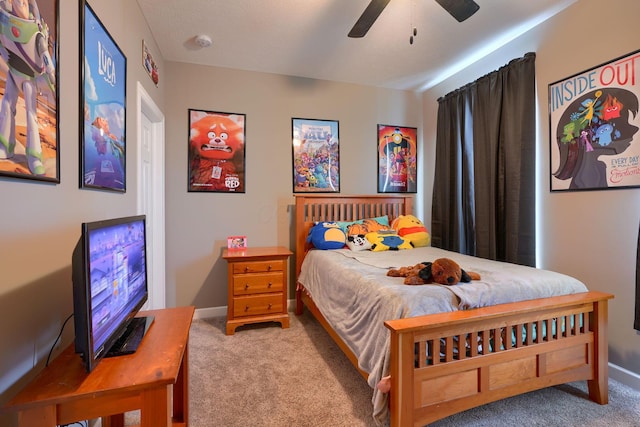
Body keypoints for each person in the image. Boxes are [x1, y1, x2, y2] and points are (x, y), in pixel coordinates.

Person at [0, 0, 56, 175]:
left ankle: (34, 157)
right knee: (7, 106)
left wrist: (52, 75)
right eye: (18, 1)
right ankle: (5, 146)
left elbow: (45, 56)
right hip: (13, 73)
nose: (21, 3)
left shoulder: (36, 33)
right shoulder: (4, 25)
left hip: (28, 79)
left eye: (24, 2)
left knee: (32, 115)